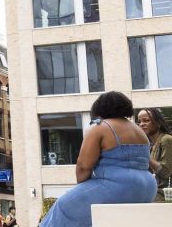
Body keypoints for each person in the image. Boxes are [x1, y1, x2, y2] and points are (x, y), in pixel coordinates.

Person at [40, 92, 156, 226]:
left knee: (64, 206)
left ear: (100, 108)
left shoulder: (100, 127)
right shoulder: (138, 130)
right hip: (147, 188)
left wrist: (82, 189)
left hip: (117, 186)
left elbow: (83, 166)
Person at [137, 107, 172, 201]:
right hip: (152, 192)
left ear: (158, 122)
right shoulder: (150, 146)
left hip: (164, 197)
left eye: (146, 120)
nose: (141, 124)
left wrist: (145, 156)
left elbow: (165, 172)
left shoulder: (166, 139)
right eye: (139, 121)